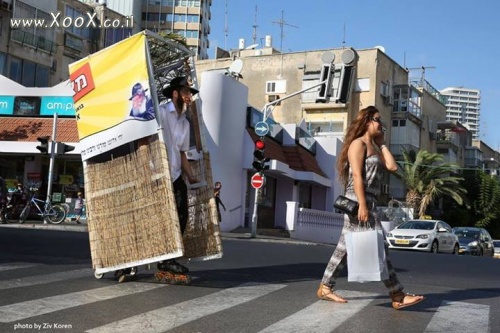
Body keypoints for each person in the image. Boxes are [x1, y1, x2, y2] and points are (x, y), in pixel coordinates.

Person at [317, 105, 425, 310]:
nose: (381, 124)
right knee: (379, 246)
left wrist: (383, 144)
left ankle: (325, 286)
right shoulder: (357, 144)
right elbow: (356, 175)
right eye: (377, 120)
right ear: (367, 121)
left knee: (345, 246)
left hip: (369, 199)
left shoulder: (374, 145)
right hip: (359, 199)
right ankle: (397, 294)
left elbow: (393, 167)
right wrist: (363, 206)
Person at [117, 76, 199, 284]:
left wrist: (191, 176)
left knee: (181, 215)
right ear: (175, 93)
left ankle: (168, 259)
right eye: (186, 92)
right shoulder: (161, 113)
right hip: (156, 173)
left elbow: (182, 152)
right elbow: (144, 138)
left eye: (190, 93)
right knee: (150, 218)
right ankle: (129, 261)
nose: (189, 97)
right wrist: (145, 169)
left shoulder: (185, 122)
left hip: (176, 174)